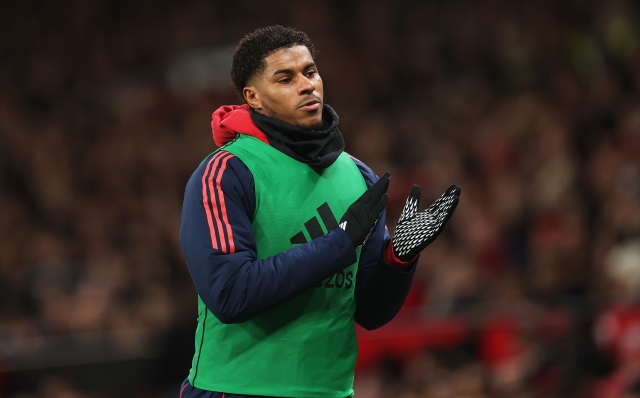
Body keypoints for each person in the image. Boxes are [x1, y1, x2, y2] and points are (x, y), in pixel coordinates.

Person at [178, 25, 460, 398]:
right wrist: (340, 242)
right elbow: (230, 294)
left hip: (331, 392)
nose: (307, 84)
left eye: (310, 72)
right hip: (235, 390)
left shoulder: (357, 176)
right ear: (254, 97)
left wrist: (398, 261)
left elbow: (370, 313)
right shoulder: (226, 172)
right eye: (285, 78)